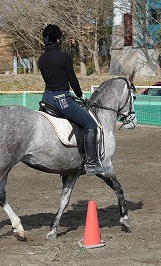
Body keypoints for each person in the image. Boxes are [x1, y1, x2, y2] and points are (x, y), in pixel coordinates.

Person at [38, 24, 107, 176]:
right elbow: (73, 82)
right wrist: (82, 97)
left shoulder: (41, 60)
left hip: (46, 99)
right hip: (62, 100)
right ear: (58, 39)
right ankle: (91, 163)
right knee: (90, 125)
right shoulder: (64, 57)